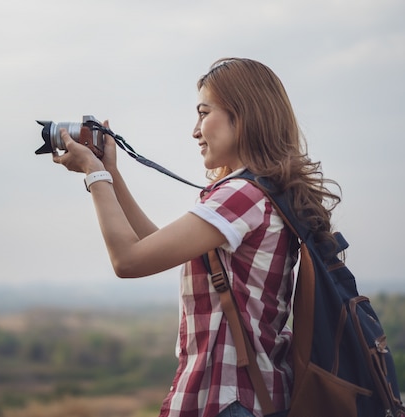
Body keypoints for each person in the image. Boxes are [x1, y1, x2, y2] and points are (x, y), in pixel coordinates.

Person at [52, 57, 340, 417]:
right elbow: (153, 245)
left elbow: (128, 260)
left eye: (204, 113)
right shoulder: (261, 192)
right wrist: (111, 173)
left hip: (231, 398)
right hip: (251, 397)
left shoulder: (242, 196)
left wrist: (94, 175)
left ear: (244, 114)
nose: (195, 129)